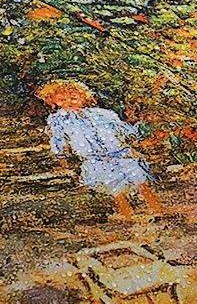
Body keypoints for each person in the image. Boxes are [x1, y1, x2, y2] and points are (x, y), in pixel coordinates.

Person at [39, 80, 163, 220]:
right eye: (61, 100)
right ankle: (129, 217)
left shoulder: (102, 114)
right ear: (53, 101)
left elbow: (121, 128)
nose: (69, 102)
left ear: (83, 97)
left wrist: (135, 133)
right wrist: (61, 154)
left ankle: (159, 210)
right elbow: (57, 138)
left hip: (120, 154)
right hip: (96, 160)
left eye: (73, 97)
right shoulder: (58, 119)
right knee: (117, 190)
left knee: (141, 183)